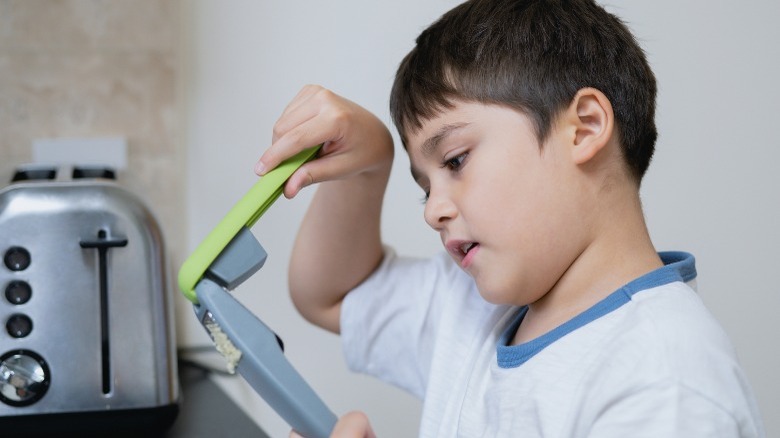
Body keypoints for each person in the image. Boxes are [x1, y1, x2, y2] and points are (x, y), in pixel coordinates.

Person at [260, 0, 765, 436]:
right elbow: (332, 295)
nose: (435, 210)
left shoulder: (667, 383)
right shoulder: (474, 310)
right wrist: (367, 167)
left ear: (584, 128)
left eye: (455, 161)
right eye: (424, 188)